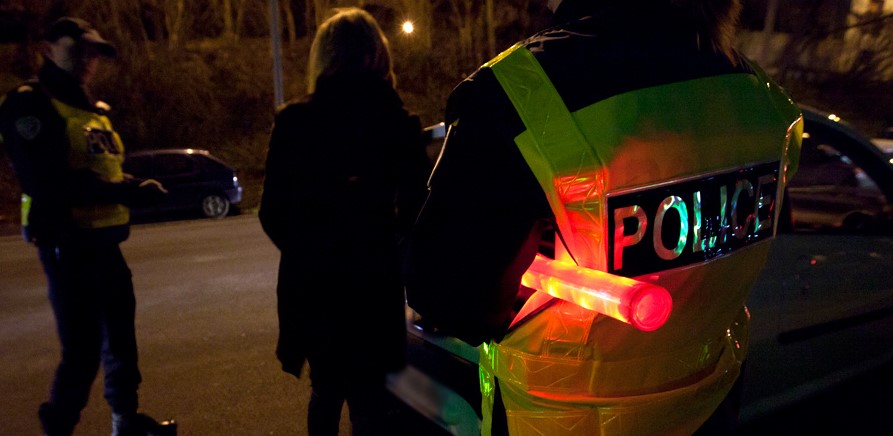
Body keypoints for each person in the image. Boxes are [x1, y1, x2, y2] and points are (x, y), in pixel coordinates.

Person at [404, 0, 803, 435]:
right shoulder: (764, 101)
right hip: (707, 410)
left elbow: (443, 294)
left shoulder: (517, 94)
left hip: (556, 420)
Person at [0, 17, 176, 436]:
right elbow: (48, 181)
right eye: (76, 49)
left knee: (120, 343)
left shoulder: (92, 109)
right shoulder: (30, 104)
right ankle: (58, 426)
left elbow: (104, 168)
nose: (87, 60)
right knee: (81, 352)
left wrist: (132, 184)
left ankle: (125, 421)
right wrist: (127, 193)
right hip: (67, 244)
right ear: (46, 49)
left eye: (92, 52)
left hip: (105, 244)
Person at [259, 7, 430, 436]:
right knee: (372, 400)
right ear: (378, 53)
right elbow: (416, 212)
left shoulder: (295, 121)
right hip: (375, 284)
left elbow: (272, 212)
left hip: (315, 285)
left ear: (323, 55)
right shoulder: (398, 122)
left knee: (326, 388)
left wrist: (312, 249)